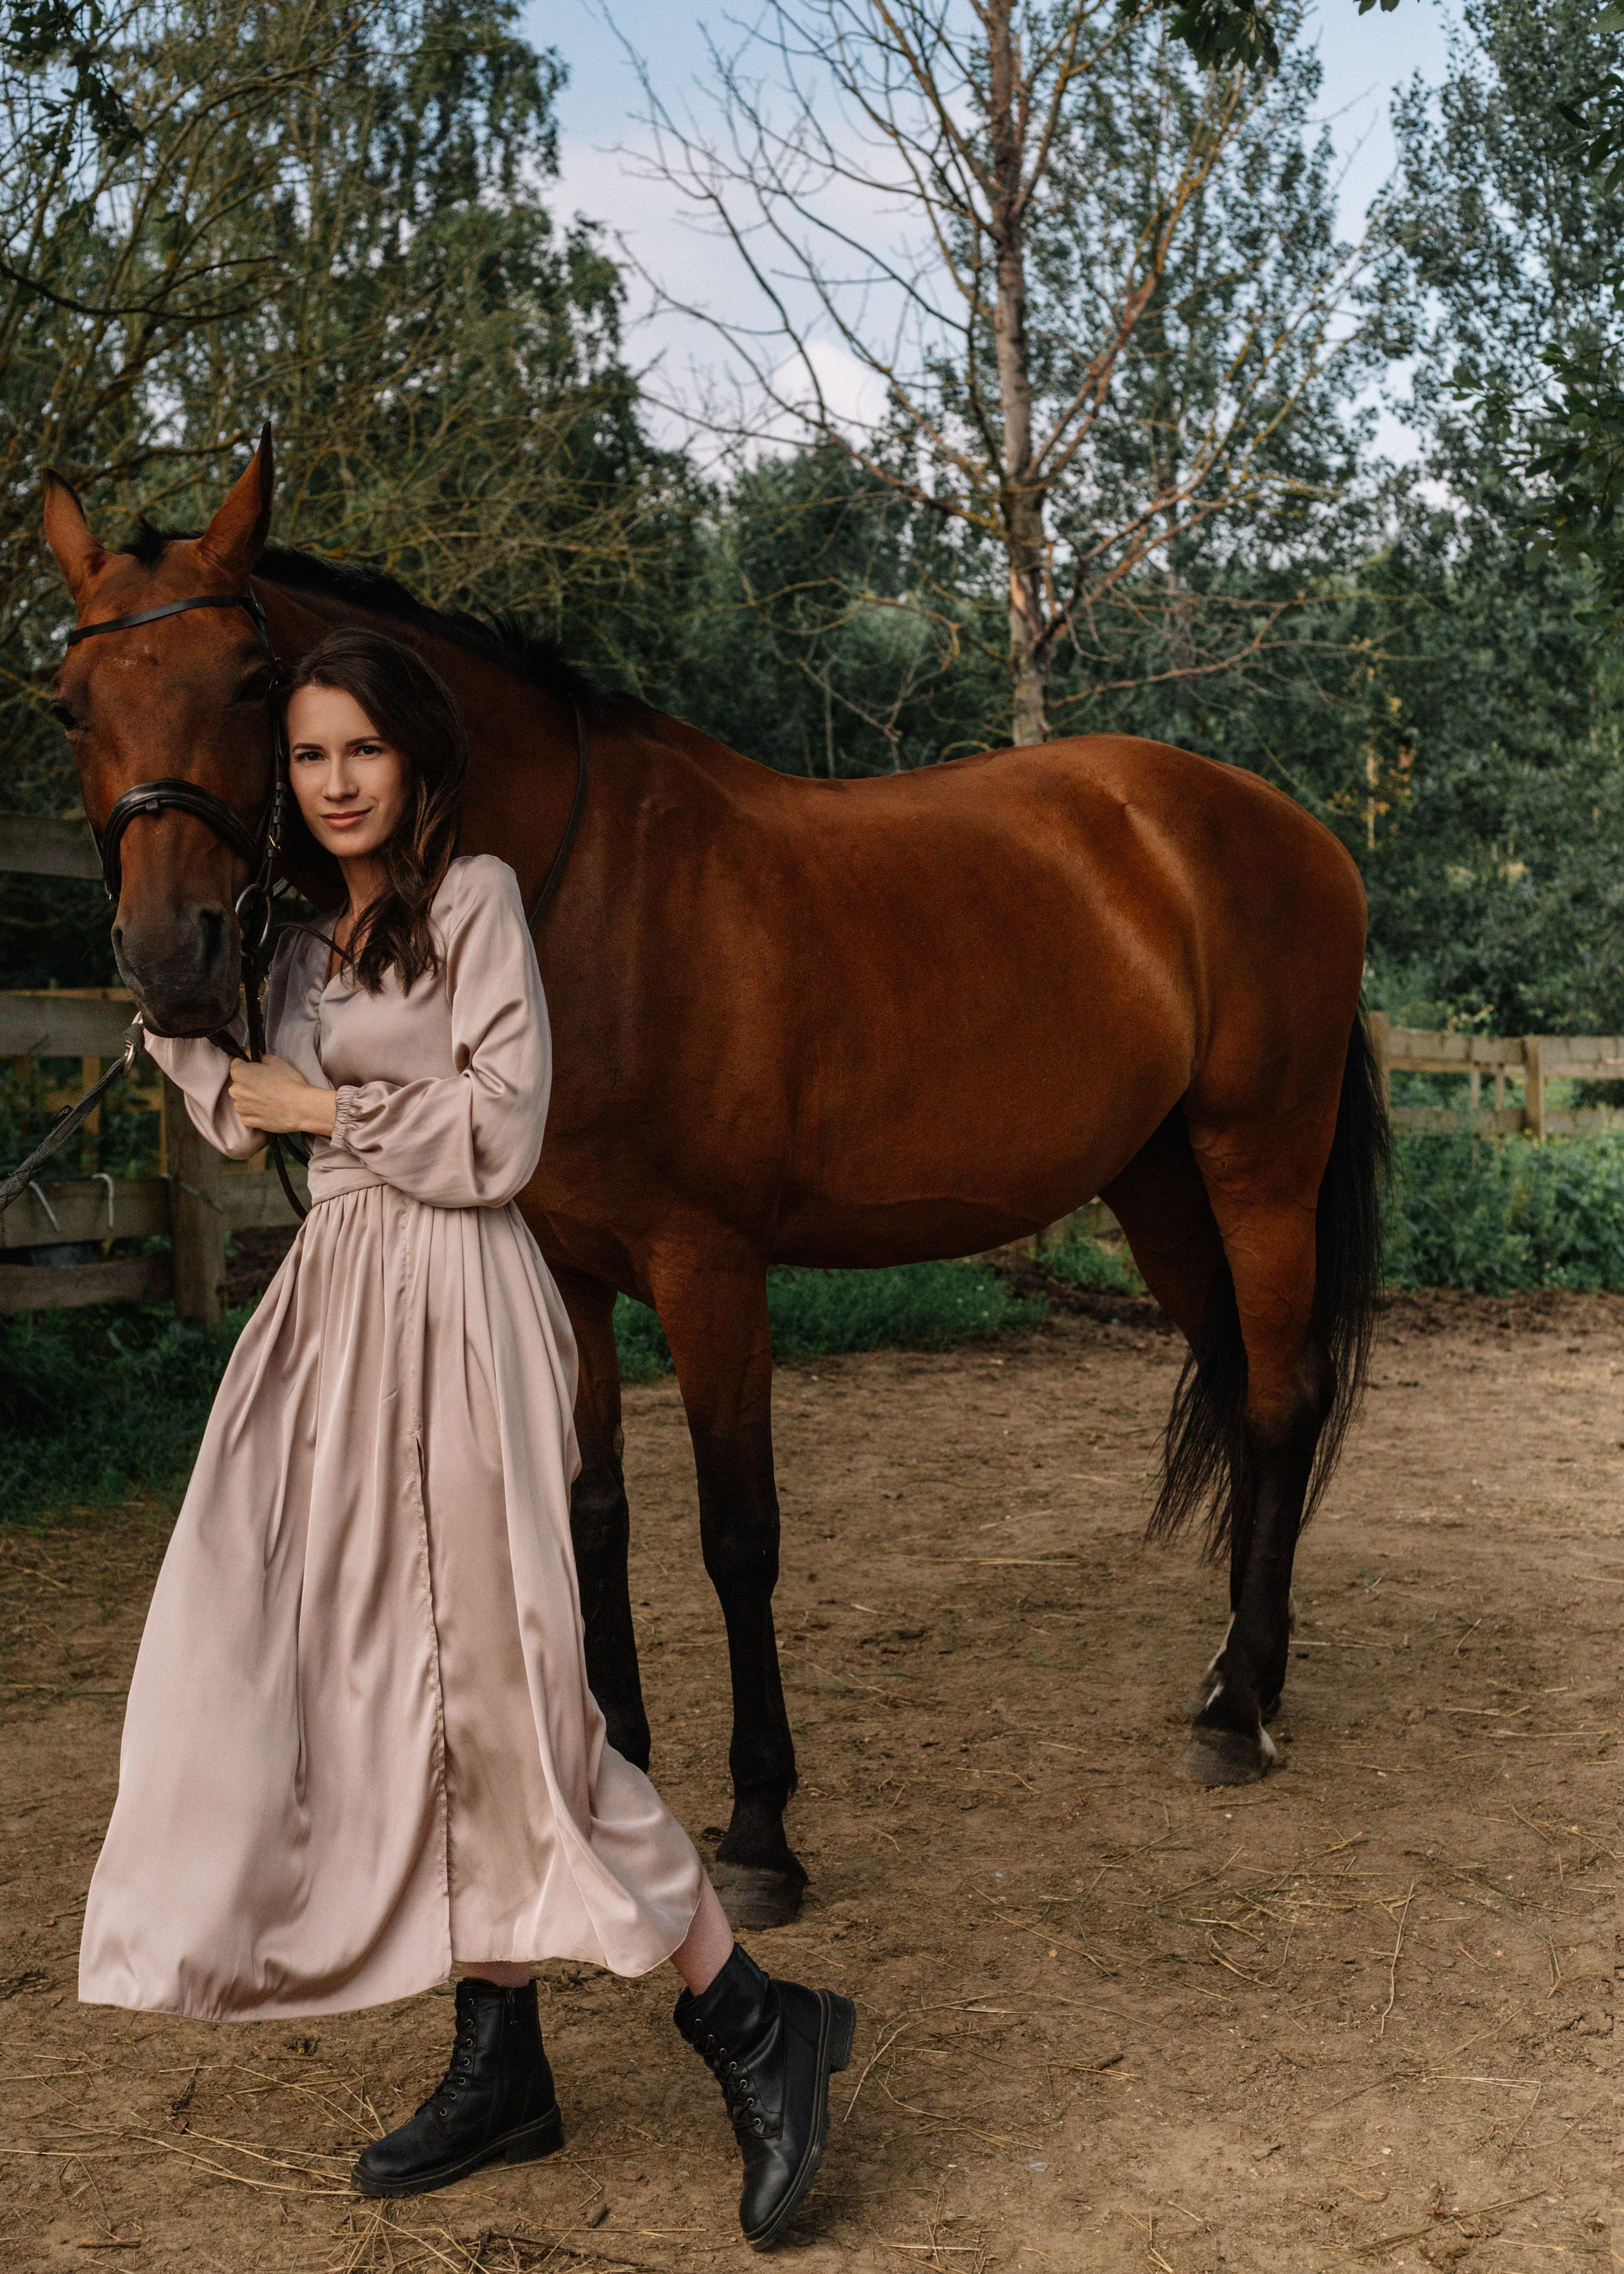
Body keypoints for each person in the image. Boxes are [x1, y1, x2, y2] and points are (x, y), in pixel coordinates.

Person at [78, 627, 853, 2248]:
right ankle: (499, 2054)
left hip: (462, 1298)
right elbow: (239, 1102)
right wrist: (176, 1013)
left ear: (415, 760)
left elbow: (503, 1132)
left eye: (360, 749)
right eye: (307, 755)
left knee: (503, 1687)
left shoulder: (480, 901)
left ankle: (755, 2017)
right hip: (341, 1316)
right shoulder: (300, 948)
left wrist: (320, 1109)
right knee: (382, 1680)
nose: (335, 781)